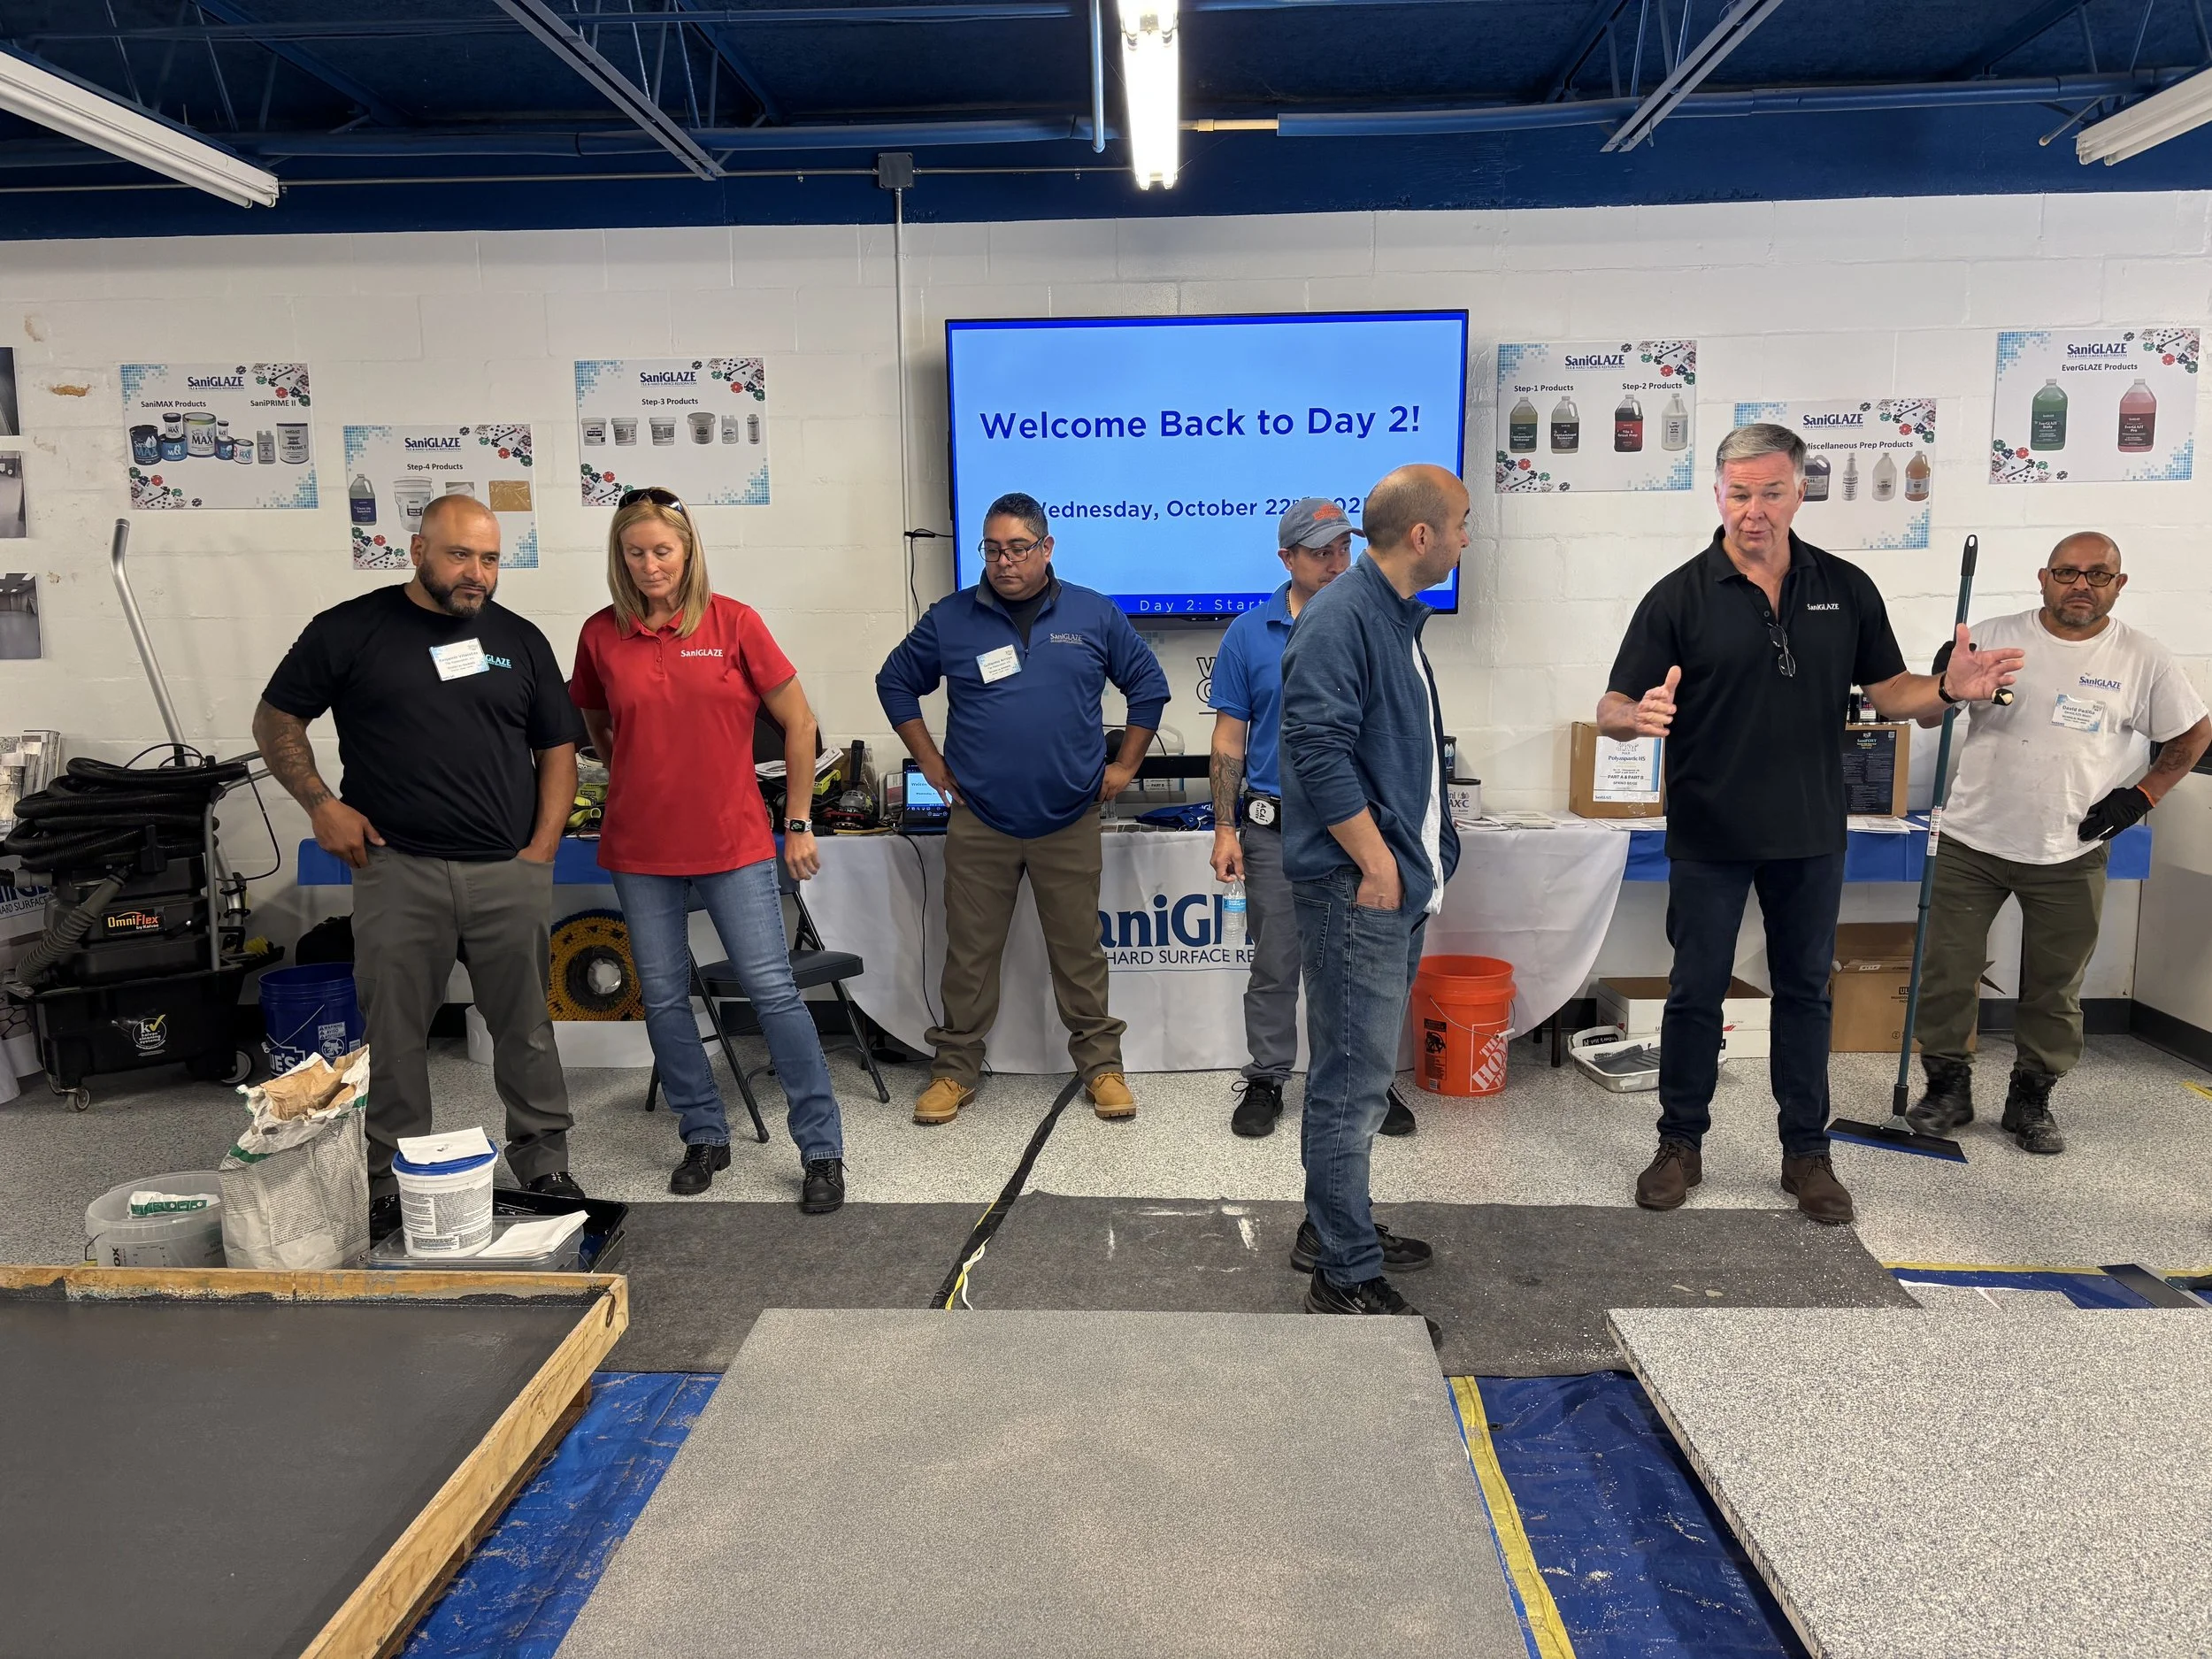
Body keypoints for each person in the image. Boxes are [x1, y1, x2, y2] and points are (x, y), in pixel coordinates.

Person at [1598, 423, 2022, 1226]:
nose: (1753, 511)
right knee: (1694, 992)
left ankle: (1806, 1152)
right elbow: (1612, 703)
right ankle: (1679, 1142)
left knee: (1803, 994)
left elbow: (1893, 692)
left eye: (1770, 492)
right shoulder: (1679, 595)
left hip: (1810, 830)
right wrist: (1634, 717)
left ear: (1799, 491)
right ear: (1716, 492)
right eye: (1737, 492)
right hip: (1710, 829)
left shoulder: (1846, 587)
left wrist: (1951, 686)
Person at [255, 493, 588, 1237]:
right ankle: (389, 1174)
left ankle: (543, 1159)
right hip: (397, 868)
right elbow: (276, 718)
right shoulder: (351, 629)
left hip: (508, 869)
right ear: (417, 550)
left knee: (526, 1026)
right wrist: (319, 802)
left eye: (491, 558)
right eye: (460, 555)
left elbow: (558, 751)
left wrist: (541, 851)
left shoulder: (521, 640)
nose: (477, 573)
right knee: (397, 1033)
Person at [568, 488, 848, 1212]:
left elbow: (801, 723)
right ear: (619, 557)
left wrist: (798, 820)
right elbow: (599, 729)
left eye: (663, 549)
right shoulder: (601, 634)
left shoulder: (735, 623)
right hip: (639, 846)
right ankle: (704, 1133)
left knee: (774, 991)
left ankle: (820, 1148)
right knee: (663, 997)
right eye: (636, 552)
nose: (650, 564)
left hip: (733, 843)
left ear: (688, 551)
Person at [1906, 532, 2208, 1153]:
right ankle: (1947, 1087)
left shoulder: (2142, 658)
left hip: (2070, 848)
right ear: (2043, 577)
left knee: (2056, 985)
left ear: (2118, 585)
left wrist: (2142, 795)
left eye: (2098, 575)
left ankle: (2030, 1099)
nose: (2081, 585)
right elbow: (1928, 717)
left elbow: (2193, 733)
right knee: (1946, 973)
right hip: (1972, 839)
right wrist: (1947, 682)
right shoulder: (1992, 635)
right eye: (2068, 573)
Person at [877, 491, 1171, 1125]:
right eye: (992, 548)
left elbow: (1149, 686)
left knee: (1079, 950)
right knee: (969, 953)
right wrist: (929, 760)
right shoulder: (951, 618)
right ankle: (955, 1069)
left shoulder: (1092, 614)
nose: (1003, 561)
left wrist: (1125, 766)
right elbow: (894, 681)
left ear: (1047, 548)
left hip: (1069, 817)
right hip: (981, 819)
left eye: (1017, 547)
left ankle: (1101, 1066)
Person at [1279, 463, 1467, 1343]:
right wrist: (1377, 863)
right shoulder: (1342, 617)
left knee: (1355, 1076)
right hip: (1356, 888)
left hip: (1389, 886)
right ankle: (1344, 1275)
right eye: (1461, 523)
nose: (1470, 537)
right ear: (1422, 535)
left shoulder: (1389, 620)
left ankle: (1333, 1223)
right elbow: (1315, 751)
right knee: (1352, 1084)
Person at [1212, 497, 1407, 1138]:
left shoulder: (1373, 621)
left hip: (1360, 830)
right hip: (1276, 831)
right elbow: (1229, 740)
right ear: (1286, 557)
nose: (1336, 562)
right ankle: (1268, 1075)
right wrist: (1223, 826)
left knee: (1359, 965)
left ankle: (1364, 1082)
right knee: (1275, 961)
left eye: (1342, 549)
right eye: (1320, 551)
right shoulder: (1247, 634)